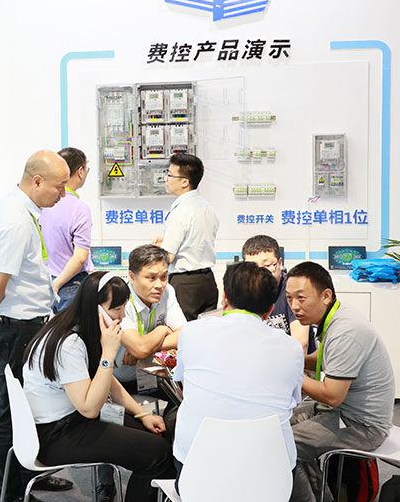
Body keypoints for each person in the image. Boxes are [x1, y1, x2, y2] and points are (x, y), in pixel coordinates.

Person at [0, 149, 74, 502]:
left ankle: (30, 475)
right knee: (13, 412)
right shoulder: (16, 220)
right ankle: (12, 493)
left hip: (27, 325)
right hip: (17, 329)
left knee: (29, 408)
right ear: (37, 181)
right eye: (59, 187)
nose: (63, 194)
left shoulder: (23, 210)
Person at [23, 271, 176, 502]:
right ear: (94, 308)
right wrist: (108, 354)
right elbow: (90, 408)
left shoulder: (76, 327)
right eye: (117, 310)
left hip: (71, 420)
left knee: (157, 438)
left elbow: (108, 382)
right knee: (158, 453)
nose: (122, 316)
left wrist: (142, 413)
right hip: (57, 434)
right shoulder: (69, 344)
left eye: (124, 308)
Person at [173, 261, 304, 489]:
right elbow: (291, 402)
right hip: (271, 483)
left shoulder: (192, 332)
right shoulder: (292, 348)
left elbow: (181, 382)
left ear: (225, 297)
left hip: (197, 480)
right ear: (270, 309)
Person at [285, 262, 395, 502]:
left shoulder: (345, 331)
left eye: (301, 298)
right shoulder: (334, 318)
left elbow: (332, 395)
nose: (294, 306)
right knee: (279, 424)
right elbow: (322, 359)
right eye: (289, 298)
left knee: (282, 445)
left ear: (326, 296)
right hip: (342, 412)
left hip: (361, 425)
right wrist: (288, 357)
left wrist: (290, 371)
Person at [154, 153, 220, 321]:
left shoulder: (180, 212)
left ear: (184, 182)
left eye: (170, 175)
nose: (165, 178)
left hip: (185, 284)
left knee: (183, 332)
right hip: (208, 281)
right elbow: (196, 241)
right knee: (205, 330)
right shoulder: (207, 207)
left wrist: (155, 250)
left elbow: (168, 257)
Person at [115, 245, 186, 396]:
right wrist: (163, 330)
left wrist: (145, 349)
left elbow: (185, 334)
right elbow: (140, 348)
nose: (159, 285)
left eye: (164, 277)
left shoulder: (168, 291)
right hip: (120, 382)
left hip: (156, 376)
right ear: (132, 276)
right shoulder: (119, 300)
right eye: (151, 278)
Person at [39, 147, 94, 314]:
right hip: (71, 284)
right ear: (80, 171)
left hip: (46, 282)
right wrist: (58, 284)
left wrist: (53, 284)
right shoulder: (79, 208)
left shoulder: (43, 203)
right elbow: (80, 257)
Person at [242, 234, 314, 353]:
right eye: (253, 268)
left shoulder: (294, 290)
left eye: (267, 266)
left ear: (280, 263)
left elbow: (300, 344)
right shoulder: (242, 291)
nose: (261, 273)